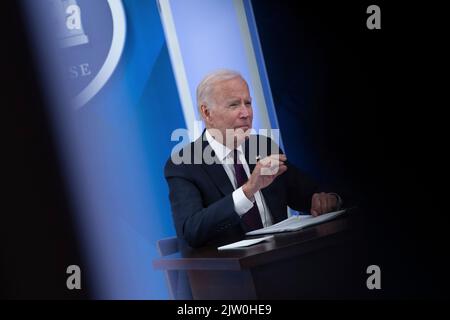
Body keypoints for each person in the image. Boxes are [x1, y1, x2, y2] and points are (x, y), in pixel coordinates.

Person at [164, 69, 341, 248]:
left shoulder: (263, 147)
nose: (246, 113)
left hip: (284, 257)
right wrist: (248, 191)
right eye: (234, 105)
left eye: (247, 103)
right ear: (207, 113)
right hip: (233, 272)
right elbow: (191, 231)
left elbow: (311, 192)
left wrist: (328, 199)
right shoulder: (184, 163)